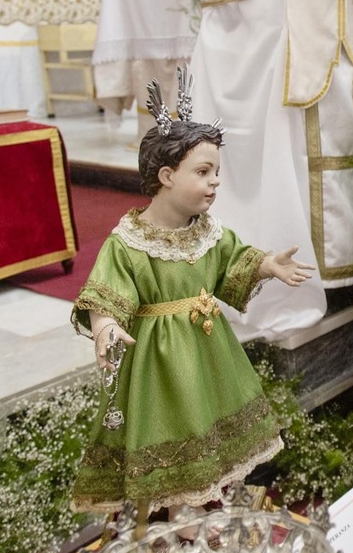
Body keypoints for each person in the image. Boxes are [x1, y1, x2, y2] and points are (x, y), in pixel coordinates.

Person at [72, 71, 315, 514]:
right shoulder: (128, 240)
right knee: (175, 424)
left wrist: (266, 264)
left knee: (208, 423)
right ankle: (180, 510)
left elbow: (230, 258)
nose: (215, 182)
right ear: (166, 175)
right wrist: (106, 327)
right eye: (203, 172)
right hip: (160, 361)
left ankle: (208, 497)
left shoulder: (204, 231)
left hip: (207, 347)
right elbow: (105, 291)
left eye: (217, 172)